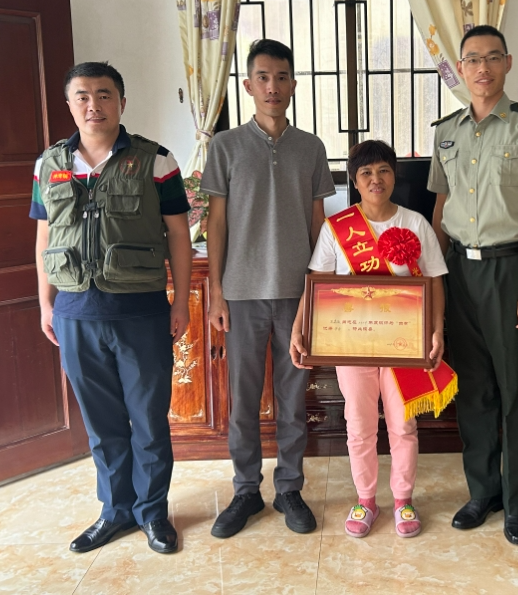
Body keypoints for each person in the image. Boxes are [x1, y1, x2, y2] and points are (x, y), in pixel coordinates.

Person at [32, 62, 191, 555]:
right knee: (102, 425)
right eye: (82, 96)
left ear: (122, 102)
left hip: (140, 313)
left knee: (148, 421)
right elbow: (44, 235)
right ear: (69, 105)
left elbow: (179, 235)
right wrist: (45, 302)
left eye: (103, 95)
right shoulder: (48, 165)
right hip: (76, 313)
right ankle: (115, 511)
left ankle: (153, 513)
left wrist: (181, 302)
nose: (93, 105)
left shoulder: (155, 161)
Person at [427, 25, 518, 546]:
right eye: (472, 59)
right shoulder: (446, 131)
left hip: (512, 272)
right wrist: (432, 278)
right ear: (460, 68)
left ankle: (515, 503)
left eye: (492, 58)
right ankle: (482, 493)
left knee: (516, 393)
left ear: (507, 63)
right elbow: (441, 209)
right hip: (459, 274)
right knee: (475, 391)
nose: (482, 68)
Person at [202, 39, 336, 538]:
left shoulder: (311, 147)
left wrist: (318, 290)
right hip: (240, 293)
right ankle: (245, 490)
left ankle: (289, 488)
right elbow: (216, 223)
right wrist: (216, 291)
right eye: (263, 77)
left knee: (293, 396)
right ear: (248, 85)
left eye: (281, 78)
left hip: (296, 294)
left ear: (293, 85)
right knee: (242, 399)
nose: (272, 86)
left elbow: (319, 223)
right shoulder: (226, 146)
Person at [290, 140, 449, 538]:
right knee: (359, 425)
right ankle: (365, 500)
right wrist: (299, 328)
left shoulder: (415, 223)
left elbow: (434, 282)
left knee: (403, 425)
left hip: (404, 346)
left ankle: (403, 499)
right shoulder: (337, 228)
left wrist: (436, 329)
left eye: (383, 171)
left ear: (394, 176)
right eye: (366, 173)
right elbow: (317, 283)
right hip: (353, 345)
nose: (375, 179)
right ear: (354, 181)